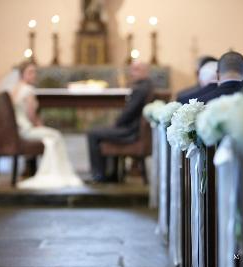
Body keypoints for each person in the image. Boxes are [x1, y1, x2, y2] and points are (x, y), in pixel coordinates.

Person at [10, 61, 83, 189]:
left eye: (35, 72)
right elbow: (31, 115)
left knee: (52, 136)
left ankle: (48, 170)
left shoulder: (15, 88)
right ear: (22, 74)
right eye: (30, 72)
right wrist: (40, 125)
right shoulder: (28, 89)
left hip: (18, 130)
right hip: (27, 130)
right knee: (56, 135)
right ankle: (55, 173)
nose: (34, 75)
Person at [87, 62, 153, 182]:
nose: (132, 73)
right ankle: (109, 173)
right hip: (132, 128)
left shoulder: (141, 89)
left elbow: (129, 113)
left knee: (93, 133)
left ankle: (99, 174)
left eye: (136, 70)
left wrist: (116, 125)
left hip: (130, 131)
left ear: (145, 71)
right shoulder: (146, 85)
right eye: (132, 70)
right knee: (99, 131)